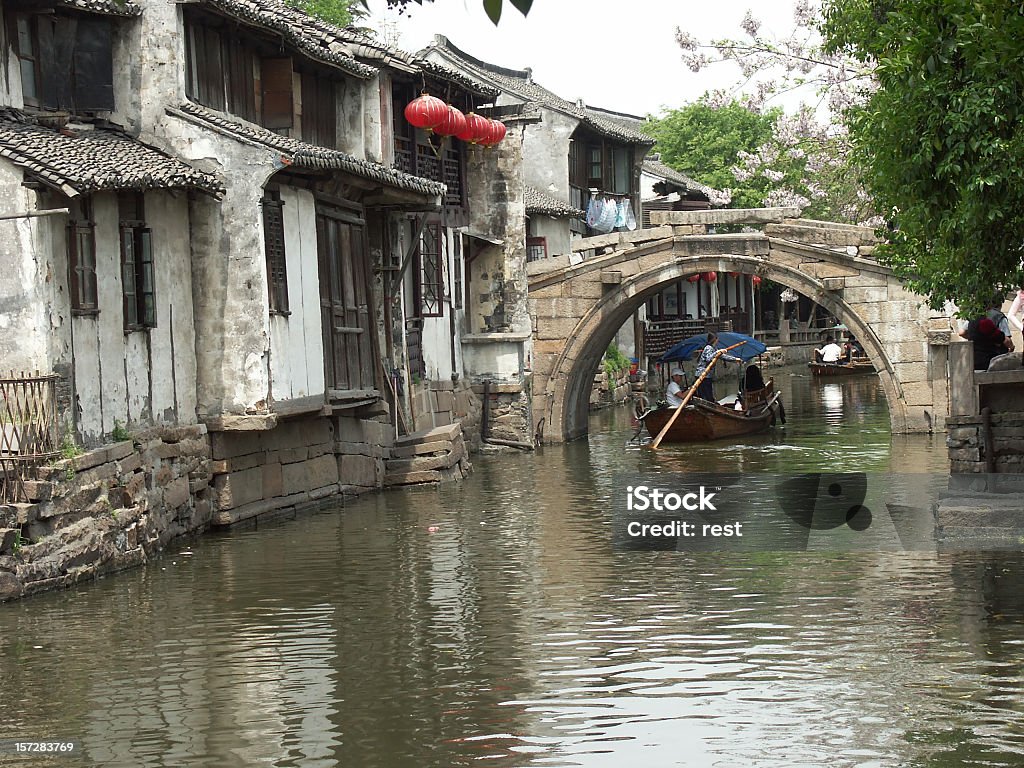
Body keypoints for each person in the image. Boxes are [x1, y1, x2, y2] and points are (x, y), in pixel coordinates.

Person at [694, 332, 740, 403]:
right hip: (702, 375)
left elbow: (722, 356)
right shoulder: (708, 348)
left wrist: (735, 359)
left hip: (707, 376)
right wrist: (719, 351)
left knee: (709, 395)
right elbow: (708, 358)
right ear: (715, 339)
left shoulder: (714, 348)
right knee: (705, 396)